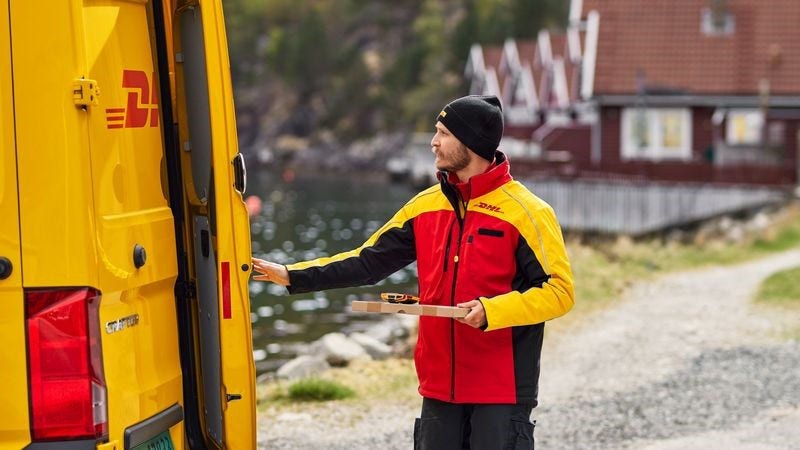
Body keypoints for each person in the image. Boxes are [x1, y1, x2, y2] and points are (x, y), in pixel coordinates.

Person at [252, 95, 574, 450]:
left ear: (472, 143)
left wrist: (492, 311)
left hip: (502, 389)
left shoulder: (528, 212)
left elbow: (559, 292)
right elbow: (367, 261)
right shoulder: (424, 206)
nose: (433, 141)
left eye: (443, 133)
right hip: (438, 387)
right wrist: (292, 275)